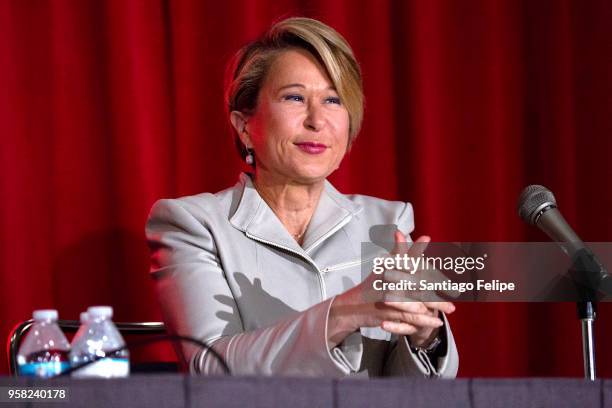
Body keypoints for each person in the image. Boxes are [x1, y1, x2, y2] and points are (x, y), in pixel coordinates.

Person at [146, 17, 458, 378]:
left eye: (333, 100)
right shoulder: (192, 223)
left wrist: (424, 336)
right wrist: (346, 311)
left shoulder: (387, 222)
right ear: (244, 125)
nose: (317, 120)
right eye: (294, 97)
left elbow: (406, 389)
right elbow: (210, 366)